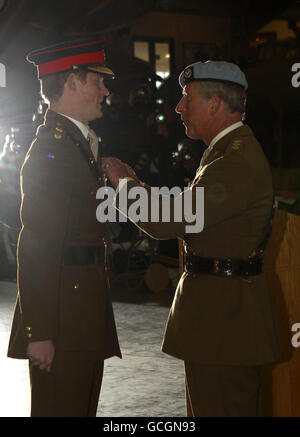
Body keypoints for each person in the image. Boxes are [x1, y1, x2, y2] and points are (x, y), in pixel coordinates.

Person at [102, 60, 281, 417]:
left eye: (187, 98)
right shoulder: (222, 153)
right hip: (218, 320)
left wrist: (125, 185)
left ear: (215, 103)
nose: (179, 107)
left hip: (226, 325)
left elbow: (172, 220)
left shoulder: (236, 161)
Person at [7, 38, 121, 417]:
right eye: (96, 81)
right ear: (71, 82)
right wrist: (38, 333)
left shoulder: (78, 143)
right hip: (60, 321)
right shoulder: (51, 150)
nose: (105, 90)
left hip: (79, 313)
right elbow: (36, 245)